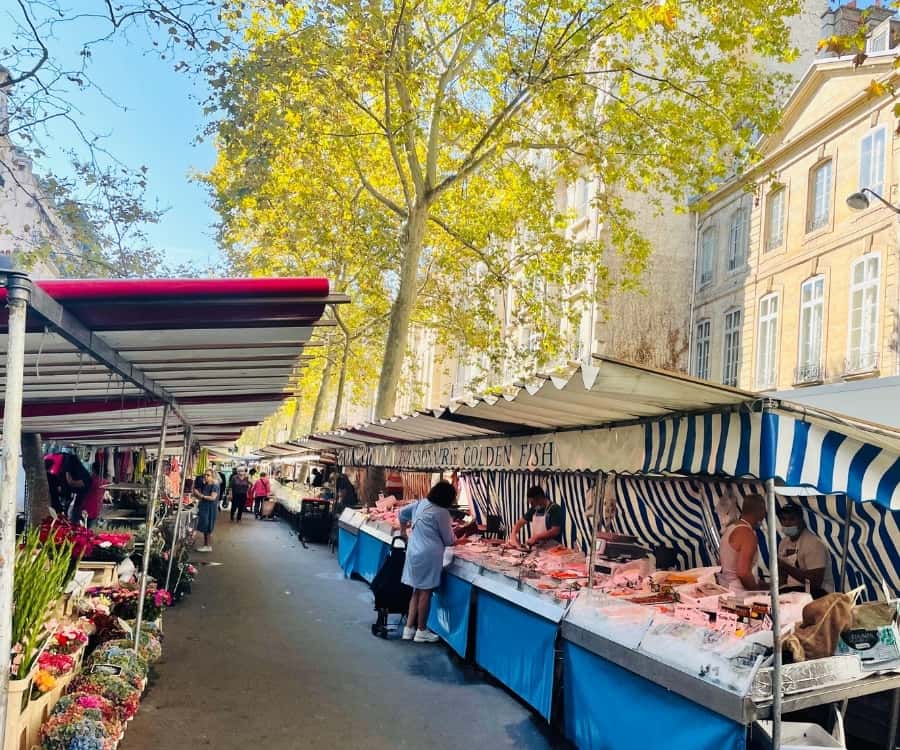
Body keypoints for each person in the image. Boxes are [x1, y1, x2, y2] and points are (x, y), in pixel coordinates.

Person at [399, 480, 457, 643]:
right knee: (426, 592)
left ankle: (409, 628)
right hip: (429, 554)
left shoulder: (420, 504)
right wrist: (457, 539)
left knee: (416, 590)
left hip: (413, 551)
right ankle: (421, 630)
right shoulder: (442, 513)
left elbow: (401, 513)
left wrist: (403, 531)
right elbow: (448, 540)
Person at [777, 502, 835, 596]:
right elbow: (782, 575)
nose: (787, 523)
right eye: (783, 519)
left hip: (819, 594)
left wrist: (784, 566)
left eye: (792, 519)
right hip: (793, 591)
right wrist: (780, 589)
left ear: (801, 520)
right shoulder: (783, 543)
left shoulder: (814, 544)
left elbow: (815, 582)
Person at [718, 494, 767, 592]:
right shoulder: (747, 534)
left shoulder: (730, 528)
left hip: (726, 586)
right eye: (764, 512)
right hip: (739, 592)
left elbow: (722, 562)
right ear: (759, 512)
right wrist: (756, 590)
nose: (763, 517)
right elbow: (743, 572)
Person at [193, 468, 220, 552]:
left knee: (207, 527)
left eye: (208, 475)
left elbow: (213, 497)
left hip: (210, 508)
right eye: (205, 475)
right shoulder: (207, 484)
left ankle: (207, 545)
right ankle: (206, 545)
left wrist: (201, 495)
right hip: (204, 507)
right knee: (205, 526)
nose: (206, 476)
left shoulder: (215, 485)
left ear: (213, 476)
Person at [78, 463, 107, 528]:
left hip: (86, 507)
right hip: (96, 508)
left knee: (83, 528)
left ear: (93, 470)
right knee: (90, 528)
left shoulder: (91, 479)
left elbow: (78, 486)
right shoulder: (104, 481)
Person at [65, 454, 92, 524]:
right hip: (80, 502)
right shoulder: (81, 472)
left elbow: (71, 483)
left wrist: (67, 471)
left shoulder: (84, 475)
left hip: (83, 503)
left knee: (75, 522)